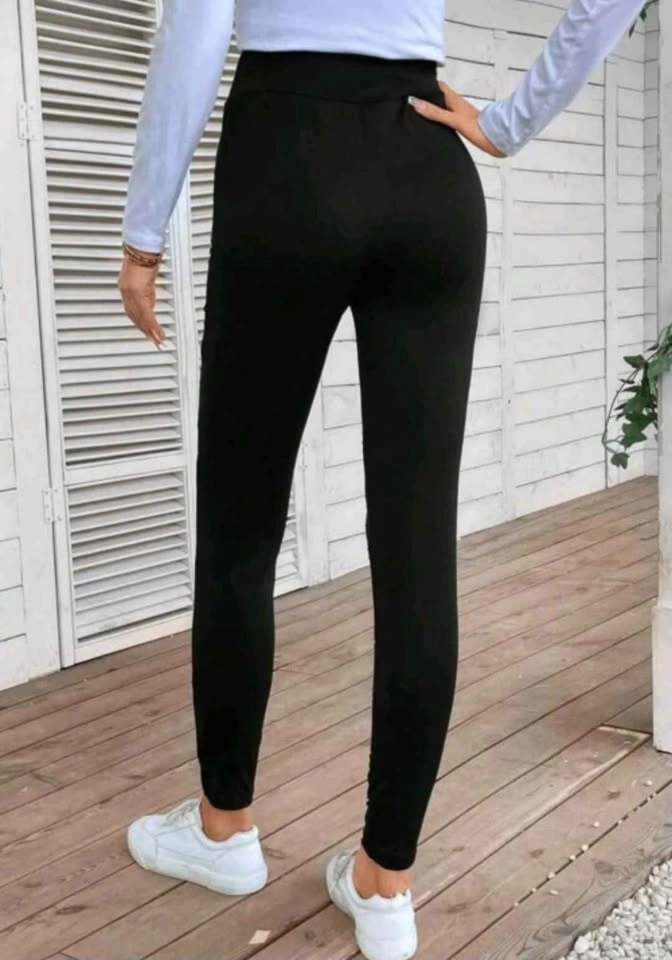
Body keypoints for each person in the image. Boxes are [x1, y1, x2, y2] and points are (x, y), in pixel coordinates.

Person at [117, 2, 648, 958]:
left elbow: (196, 25)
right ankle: (385, 884)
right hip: (426, 164)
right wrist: (511, 120)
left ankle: (224, 830)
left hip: (284, 153)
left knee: (241, 523)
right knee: (416, 545)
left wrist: (143, 232)